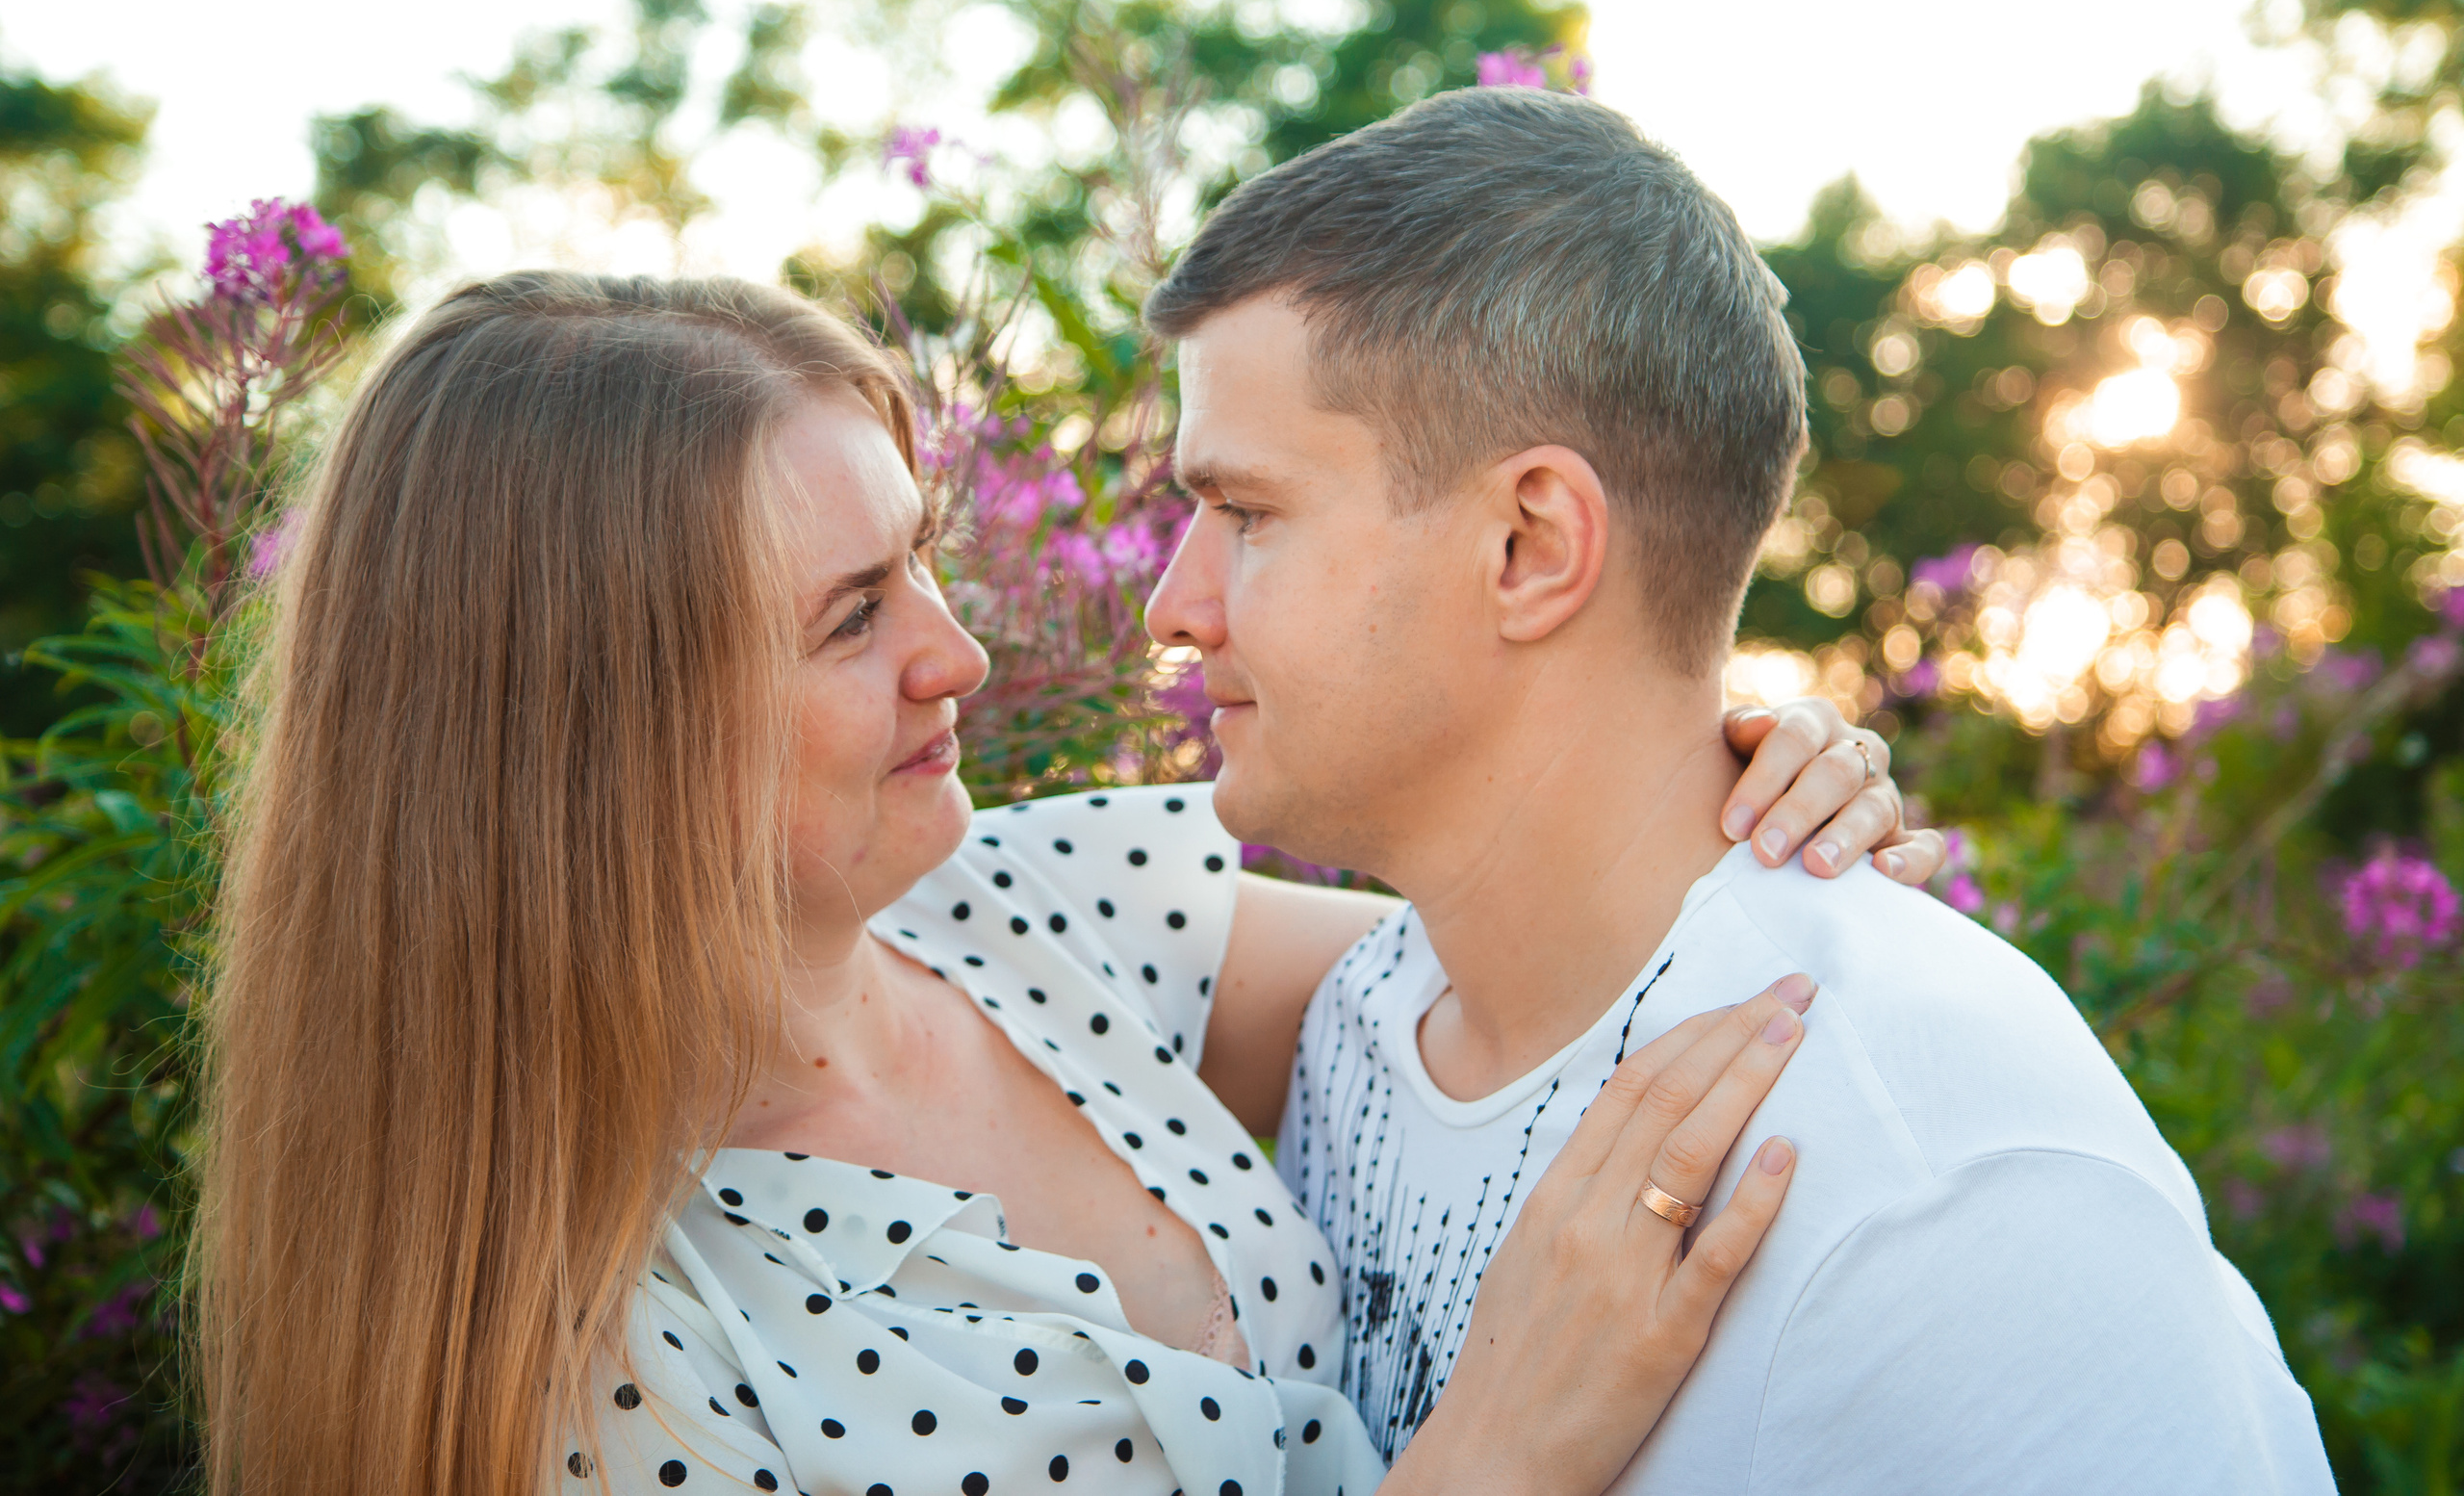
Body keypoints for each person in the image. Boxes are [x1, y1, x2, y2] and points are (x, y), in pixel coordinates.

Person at [190, 273, 1939, 1496]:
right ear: (590, 735)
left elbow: (1543, 946)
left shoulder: (1034, 914)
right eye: (853, 617)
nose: (959, 657)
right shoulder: (600, 1375)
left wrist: (1757, 796)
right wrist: (1492, 1462)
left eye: (924, 566)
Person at [1141, 85, 2340, 1493]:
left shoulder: (1938, 1182)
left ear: (1530, 545)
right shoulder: (1362, 1034)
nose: (1177, 601)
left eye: (1245, 515)